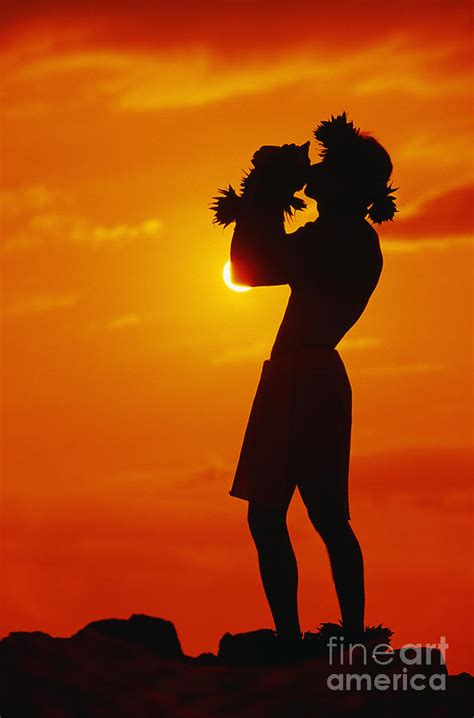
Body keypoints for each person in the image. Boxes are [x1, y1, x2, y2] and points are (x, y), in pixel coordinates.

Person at [212, 113, 397, 652]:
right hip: (303, 376)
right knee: (294, 515)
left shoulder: (342, 237)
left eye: (325, 169)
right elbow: (257, 264)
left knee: (304, 515)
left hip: (305, 379)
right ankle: (326, 634)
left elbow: (248, 269)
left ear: (347, 186)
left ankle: (332, 637)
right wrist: (264, 197)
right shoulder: (344, 236)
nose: (314, 173)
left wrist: (266, 193)